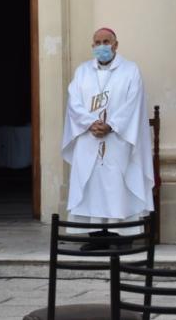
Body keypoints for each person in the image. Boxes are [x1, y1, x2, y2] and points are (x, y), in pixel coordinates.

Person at [62, 27, 154, 250]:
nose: (102, 46)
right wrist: (90, 122)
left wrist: (111, 125)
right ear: (93, 46)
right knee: (92, 185)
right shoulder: (82, 72)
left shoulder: (130, 71)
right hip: (89, 137)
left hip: (119, 139)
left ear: (115, 44)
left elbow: (133, 103)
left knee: (118, 185)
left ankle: (123, 236)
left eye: (107, 41)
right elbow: (74, 102)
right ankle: (97, 237)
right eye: (98, 42)